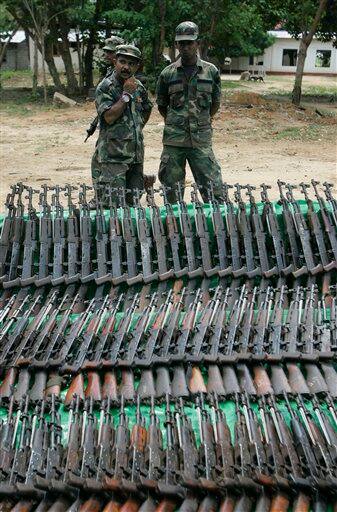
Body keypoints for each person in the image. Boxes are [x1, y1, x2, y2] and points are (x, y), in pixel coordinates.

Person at [156, 21, 223, 203]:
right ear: (176, 44)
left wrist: (200, 120)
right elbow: (162, 105)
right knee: (172, 193)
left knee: (214, 190)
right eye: (181, 43)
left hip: (201, 140)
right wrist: (177, 121)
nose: (185, 47)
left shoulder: (211, 72)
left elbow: (215, 103)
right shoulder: (167, 74)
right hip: (174, 141)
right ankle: (174, 229)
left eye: (189, 42)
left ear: (198, 43)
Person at [91, 44, 153, 205]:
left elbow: (147, 108)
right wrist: (126, 95)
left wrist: (136, 129)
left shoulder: (138, 86)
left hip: (135, 156)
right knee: (113, 206)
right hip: (113, 158)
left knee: (133, 204)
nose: (126, 67)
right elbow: (108, 117)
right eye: (122, 61)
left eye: (131, 64)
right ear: (114, 62)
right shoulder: (106, 87)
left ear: (137, 66)